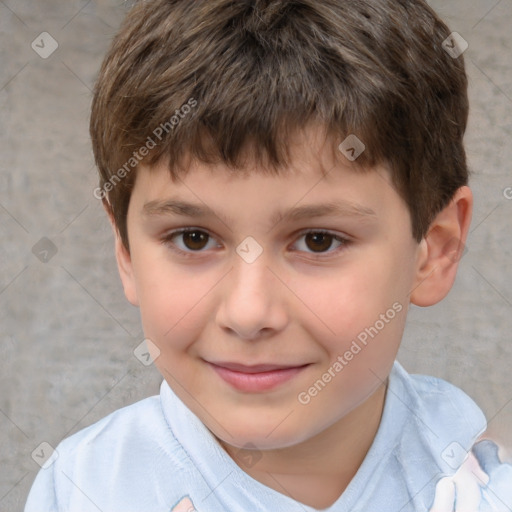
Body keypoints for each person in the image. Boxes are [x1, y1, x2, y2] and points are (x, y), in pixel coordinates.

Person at [25, 0, 512, 510]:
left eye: (318, 240)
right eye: (193, 238)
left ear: (434, 251)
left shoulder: (478, 486)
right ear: (125, 250)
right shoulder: (85, 488)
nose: (249, 312)